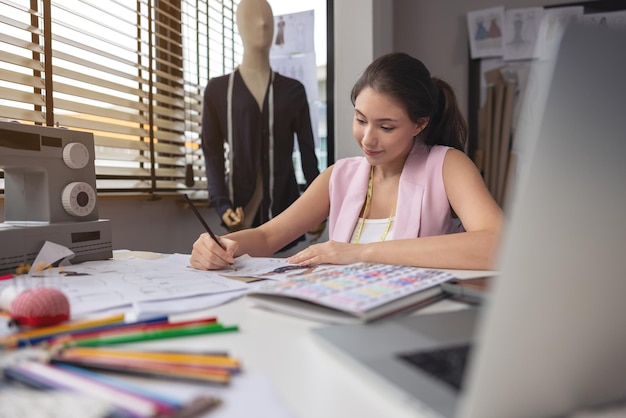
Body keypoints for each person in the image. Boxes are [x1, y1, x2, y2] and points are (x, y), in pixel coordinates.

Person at [191, 52, 504, 271]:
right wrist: (221, 244)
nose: (368, 138)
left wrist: (358, 253)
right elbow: (268, 236)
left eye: (386, 127)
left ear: (420, 124)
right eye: (360, 119)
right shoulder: (340, 176)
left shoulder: (448, 165)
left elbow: (498, 245)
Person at [200, 0, 321, 248]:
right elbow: (211, 152)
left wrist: (319, 208)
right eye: (251, 17)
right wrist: (221, 203)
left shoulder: (293, 91)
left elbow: (309, 156)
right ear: (239, 26)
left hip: (285, 214)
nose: (262, 22)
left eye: (267, 17)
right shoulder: (218, 90)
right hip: (238, 211)